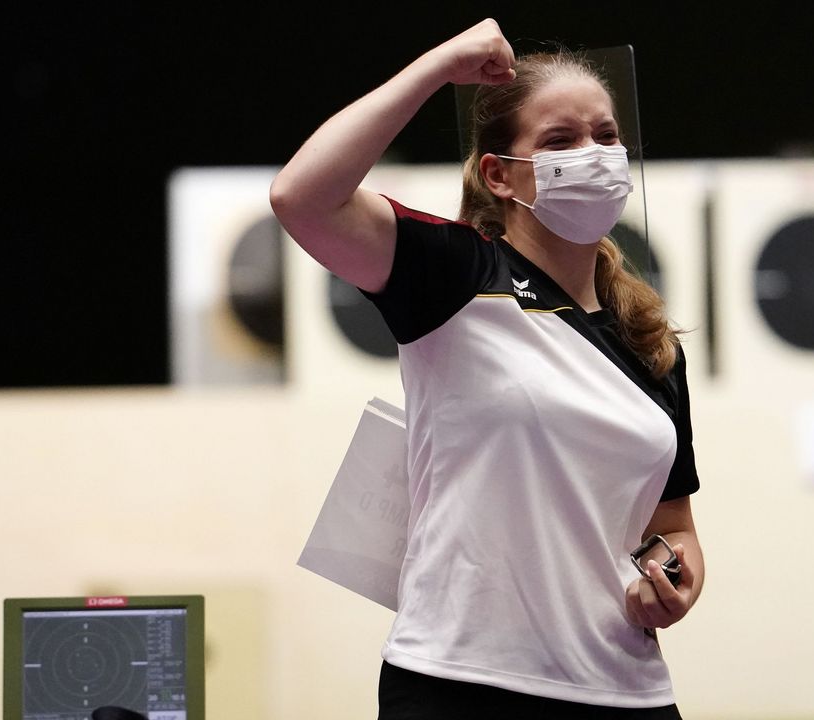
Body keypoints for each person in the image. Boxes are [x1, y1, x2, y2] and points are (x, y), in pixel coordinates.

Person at [272, 18, 704, 719]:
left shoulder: (651, 342)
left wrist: (673, 576)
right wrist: (437, 67)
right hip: (460, 684)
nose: (592, 155)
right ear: (499, 175)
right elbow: (302, 196)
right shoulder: (456, 276)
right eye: (561, 141)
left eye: (605, 136)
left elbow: (672, 525)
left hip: (627, 689)